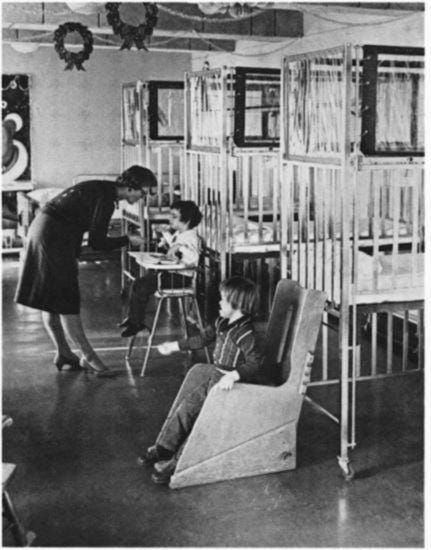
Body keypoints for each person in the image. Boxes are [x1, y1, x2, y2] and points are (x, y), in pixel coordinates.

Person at [15, 165, 157, 377]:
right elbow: (97, 242)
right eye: (143, 192)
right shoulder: (107, 199)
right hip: (53, 238)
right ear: (130, 187)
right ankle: (89, 357)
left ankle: (64, 354)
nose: (142, 197)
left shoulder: (101, 188)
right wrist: (128, 239)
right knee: (66, 300)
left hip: (43, 231)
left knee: (51, 299)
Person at [139, 276, 267, 485]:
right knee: (186, 408)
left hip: (232, 387)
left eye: (223, 300)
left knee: (201, 422)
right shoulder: (222, 323)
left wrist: (234, 376)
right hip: (214, 380)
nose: (219, 303)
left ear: (237, 304)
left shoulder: (246, 333)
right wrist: (175, 346)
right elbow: (201, 339)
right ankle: (164, 447)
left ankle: (177, 463)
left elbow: (255, 363)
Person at [119, 200, 202, 337]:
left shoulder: (191, 237)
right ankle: (133, 319)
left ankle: (136, 323)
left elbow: (193, 258)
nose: (169, 218)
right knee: (138, 283)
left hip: (181, 278)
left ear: (187, 220)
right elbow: (173, 244)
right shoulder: (180, 234)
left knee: (141, 285)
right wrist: (164, 235)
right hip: (172, 274)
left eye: (174, 216)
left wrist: (178, 247)